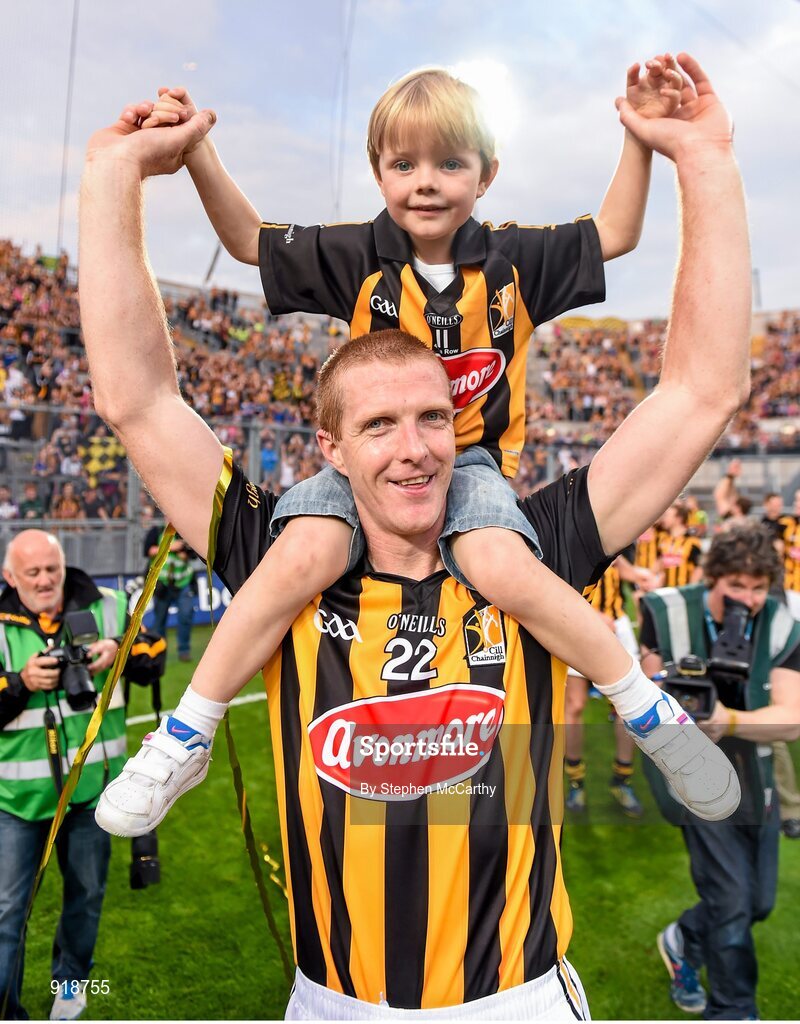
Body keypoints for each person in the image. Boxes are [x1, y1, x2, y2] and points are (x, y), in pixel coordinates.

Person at [79, 53, 751, 1018]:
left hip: (514, 996)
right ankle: (183, 738)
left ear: (463, 419)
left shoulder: (533, 544)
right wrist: (113, 176)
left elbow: (700, 391)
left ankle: (650, 717)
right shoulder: (288, 547)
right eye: (378, 424)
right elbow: (137, 400)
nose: (414, 448)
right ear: (331, 448)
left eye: (434, 417)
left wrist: (704, 158)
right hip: (333, 998)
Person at [127, 57, 688, 784]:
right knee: (294, 560)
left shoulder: (515, 261)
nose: (425, 181)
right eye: (405, 163)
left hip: (473, 467)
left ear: (485, 175)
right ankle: (185, 736)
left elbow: (616, 230)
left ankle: (642, 707)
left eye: (449, 162)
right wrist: (198, 146)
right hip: (368, 466)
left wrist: (640, 136)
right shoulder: (356, 253)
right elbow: (246, 240)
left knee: (500, 566)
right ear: (379, 173)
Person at [640, 524, 800, 1020]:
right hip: (693, 771)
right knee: (731, 901)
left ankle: (685, 938)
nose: (748, 599)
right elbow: (643, 687)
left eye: (757, 587)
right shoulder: (666, 611)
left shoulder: (779, 622)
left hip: (754, 767)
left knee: (757, 903)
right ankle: (733, 1010)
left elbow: (792, 718)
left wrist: (729, 720)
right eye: (737, 586)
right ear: (714, 578)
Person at [0, 531, 127, 1021]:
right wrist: (20, 682)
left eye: (51, 568)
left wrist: (120, 648)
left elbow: (153, 655)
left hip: (92, 792)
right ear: (10, 577)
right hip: (15, 798)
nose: (45, 580)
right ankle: (6, 1007)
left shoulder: (110, 605)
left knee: (87, 895)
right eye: (31, 573)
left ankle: (71, 983)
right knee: (8, 910)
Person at [564, 552, 648, 818]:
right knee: (575, 705)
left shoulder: (616, 517)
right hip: (577, 622)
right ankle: (576, 780)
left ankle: (622, 779)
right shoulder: (566, 517)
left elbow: (618, 561)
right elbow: (550, 576)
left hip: (618, 625)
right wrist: (593, 613)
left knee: (630, 707)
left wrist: (640, 576)